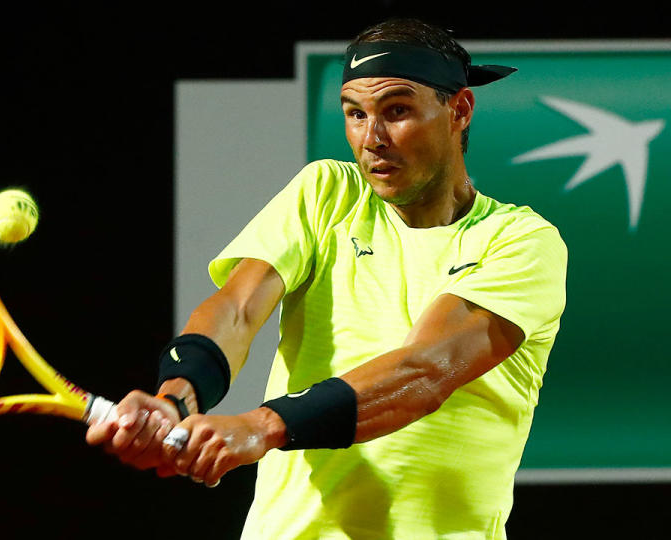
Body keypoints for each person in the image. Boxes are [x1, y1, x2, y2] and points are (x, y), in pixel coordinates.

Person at [87, 17, 567, 539]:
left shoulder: (520, 240)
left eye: (397, 111)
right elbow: (239, 309)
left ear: (459, 109)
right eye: (355, 114)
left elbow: (426, 370)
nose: (371, 138)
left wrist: (262, 425)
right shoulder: (324, 194)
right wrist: (175, 398)